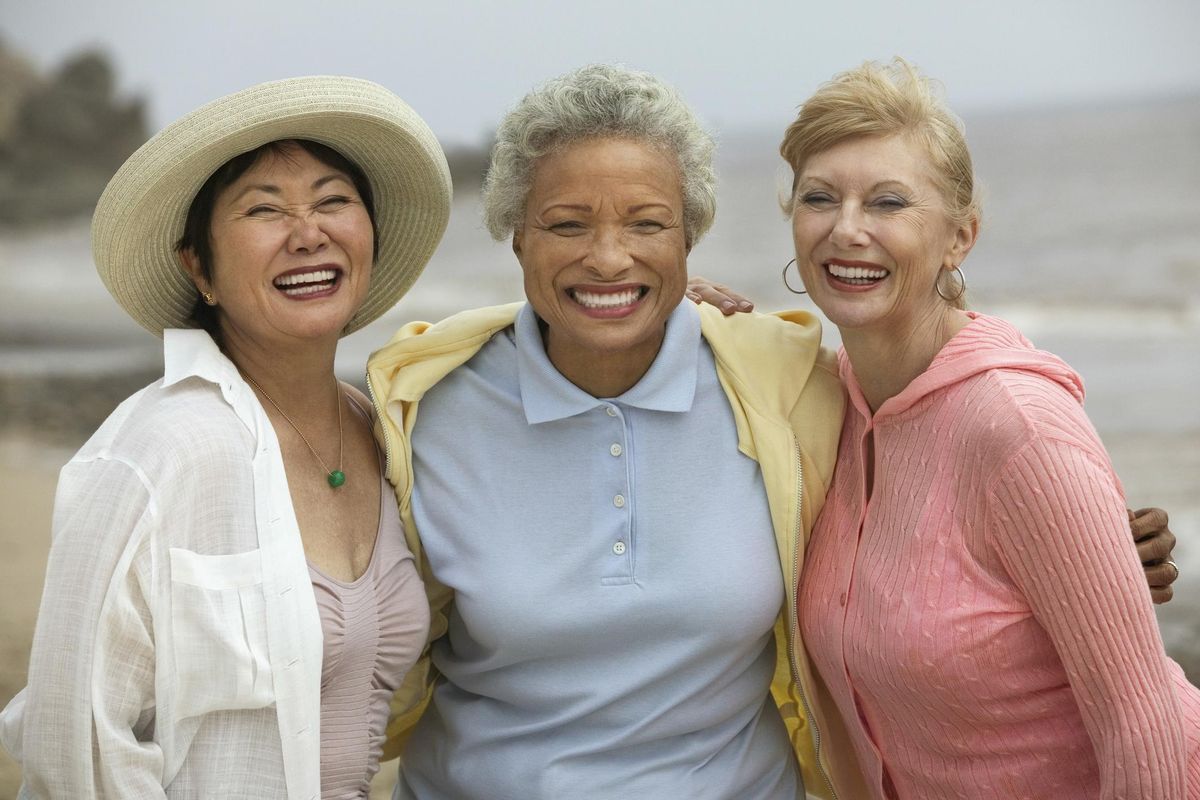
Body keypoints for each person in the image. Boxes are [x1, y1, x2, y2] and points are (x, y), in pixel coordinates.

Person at [367, 64, 1179, 800]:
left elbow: (962, 446)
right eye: (567, 225)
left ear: (691, 236)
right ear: (516, 234)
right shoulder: (420, 405)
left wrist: (1086, 547)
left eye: (648, 225)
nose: (609, 257)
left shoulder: (782, 384)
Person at [0, 76, 451, 798]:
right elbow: (75, 747)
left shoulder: (382, 431)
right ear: (198, 266)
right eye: (263, 210)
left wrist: (679, 321)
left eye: (334, 201)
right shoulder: (161, 450)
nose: (309, 233)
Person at [776, 59, 1199, 798]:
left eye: (888, 203)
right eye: (820, 198)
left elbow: (1144, 724)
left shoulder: (1018, 429)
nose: (847, 230)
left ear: (959, 237)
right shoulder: (821, 403)